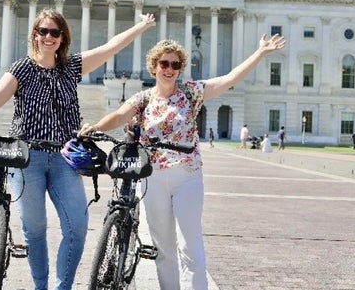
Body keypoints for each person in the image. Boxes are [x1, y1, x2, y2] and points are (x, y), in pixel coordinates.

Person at [0, 8, 156, 289]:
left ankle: (62, 287)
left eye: (55, 32)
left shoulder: (72, 67)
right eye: (43, 31)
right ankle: (41, 286)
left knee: (77, 229)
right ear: (35, 34)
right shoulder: (22, 68)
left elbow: (109, 48)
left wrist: (141, 27)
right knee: (35, 230)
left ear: (62, 38)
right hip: (26, 157)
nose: (49, 37)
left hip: (64, 158)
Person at [79, 33, 287, 290]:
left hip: (187, 175)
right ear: (154, 66)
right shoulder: (143, 99)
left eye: (175, 65)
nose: (169, 69)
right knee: (163, 249)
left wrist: (260, 53)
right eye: (164, 63)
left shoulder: (191, 93)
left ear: (180, 69)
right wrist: (96, 127)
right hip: (152, 177)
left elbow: (229, 79)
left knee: (191, 248)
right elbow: (120, 114)